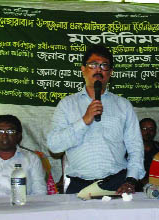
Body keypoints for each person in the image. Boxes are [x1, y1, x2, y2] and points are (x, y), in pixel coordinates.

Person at [47, 44, 145, 196]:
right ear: (83, 69)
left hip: (117, 184)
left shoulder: (123, 105)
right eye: (93, 64)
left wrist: (131, 180)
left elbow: (136, 148)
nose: (98, 69)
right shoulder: (67, 105)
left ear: (110, 73)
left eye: (104, 66)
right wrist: (84, 120)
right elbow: (54, 146)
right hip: (78, 186)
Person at [139, 118, 159, 189]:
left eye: (151, 129)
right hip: (135, 189)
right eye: (144, 129)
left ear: (155, 131)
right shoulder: (130, 149)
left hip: (158, 186)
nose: (148, 132)